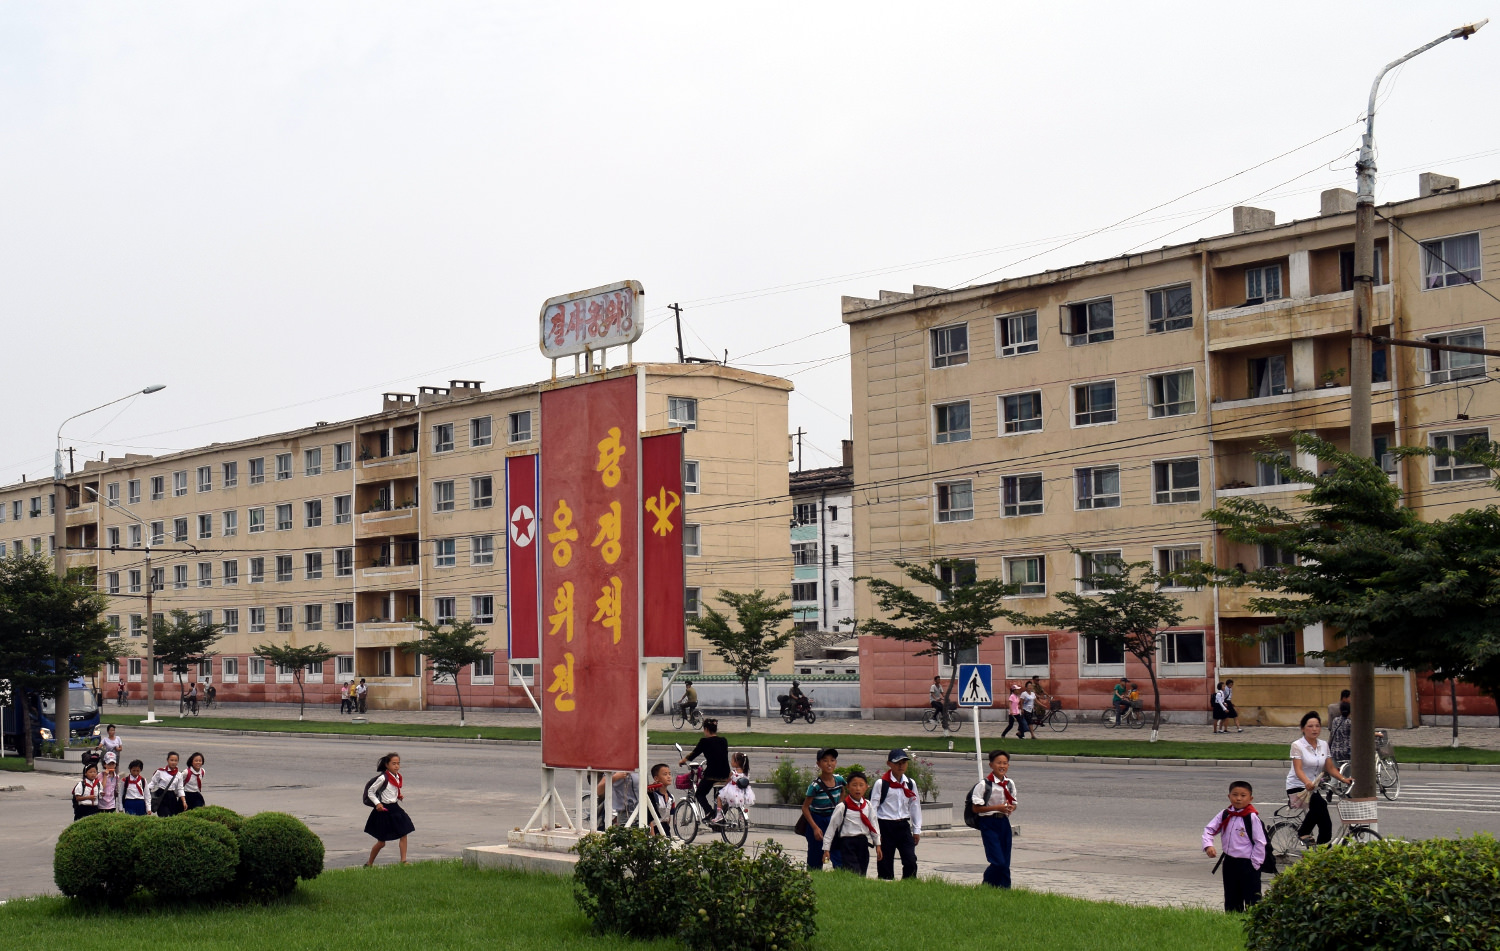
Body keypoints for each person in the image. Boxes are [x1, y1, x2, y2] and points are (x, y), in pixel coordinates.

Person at [1203, 780, 1268, 912]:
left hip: (1248, 863)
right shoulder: (1225, 814)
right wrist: (1208, 845)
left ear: (1250, 798)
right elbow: (1209, 830)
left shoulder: (1251, 817)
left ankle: (1253, 923)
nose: (1238, 798)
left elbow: (1260, 842)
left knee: (1252, 899)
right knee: (1232, 896)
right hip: (1229, 862)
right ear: (1229, 796)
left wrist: (1255, 864)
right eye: (1235, 795)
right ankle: (1232, 920)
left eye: (1243, 795)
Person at [1287, 712, 1349, 845]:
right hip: (1298, 786)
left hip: (1312, 788)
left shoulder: (1323, 745)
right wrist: (1307, 782)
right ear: (1303, 729)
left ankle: (1320, 854)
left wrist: (1344, 779)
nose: (1314, 729)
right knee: (1321, 804)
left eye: (1317, 726)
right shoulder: (1297, 745)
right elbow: (1298, 769)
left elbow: (1330, 768)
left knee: (1326, 824)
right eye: (1310, 726)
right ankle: (1303, 832)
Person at [871, 749, 922, 880]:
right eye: (897, 762)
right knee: (885, 861)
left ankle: (909, 884)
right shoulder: (881, 783)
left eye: (904, 762)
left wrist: (916, 829)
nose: (901, 765)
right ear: (889, 764)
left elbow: (915, 806)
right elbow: (873, 809)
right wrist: (875, 833)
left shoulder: (910, 783)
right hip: (885, 826)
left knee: (910, 859)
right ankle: (886, 884)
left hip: (903, 826)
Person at [971, 750, 1018, 888]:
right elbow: (976, 808)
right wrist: (997, 808)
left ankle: (1004, 888)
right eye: (999, 763)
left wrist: (1009, 808)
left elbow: (1014, 804)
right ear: (991, 765)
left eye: (1005, 763)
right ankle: (987, 884)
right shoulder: (984, 785)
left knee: (1005, 859)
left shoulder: (1009, 783)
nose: (1002, 766)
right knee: (997, 861)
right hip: (989, 823)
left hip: (1003, 822)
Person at [823, 771, 880, 876]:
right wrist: (826, 848)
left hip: (863, 842)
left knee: (862, 870)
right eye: (854, 785)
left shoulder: (868, 805)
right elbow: (831, 828)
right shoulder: (842, 807)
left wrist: (878, 844)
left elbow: (874, 825)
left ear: (866, 787)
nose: (858, 789)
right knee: (853, 871)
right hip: (847, 843)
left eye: (861, 785)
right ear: (848, 787)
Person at [800, 748, 846, 870]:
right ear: (818, 764)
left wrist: (840, 805)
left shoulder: (839, 780)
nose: (829, 764)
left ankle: (840, 875)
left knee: (837, 853)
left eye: (832, 760)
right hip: (818, 820)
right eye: (825, 761)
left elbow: (843, 791)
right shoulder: (815, 786)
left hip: (833, 819)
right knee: (816, 857)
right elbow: (805, 808)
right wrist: (815, 827)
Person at [365, 752, 414, 865]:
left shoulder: (397, 776)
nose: (396, 766)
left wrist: (398, 796)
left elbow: (391, 790)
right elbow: (370, 792)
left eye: (398, 763)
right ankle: (369, 863)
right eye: (393, 763)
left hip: (395, 808)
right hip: (384, 811)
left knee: (404, 832)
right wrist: (378, 804)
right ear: (387, 765)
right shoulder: (383, 778)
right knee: (382, 842)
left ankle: (403, 861)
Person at [679, 718, 730, 819]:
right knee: (719, 796)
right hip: (725, 773)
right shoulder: (723, 741)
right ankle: (719, 816)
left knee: (700, 794)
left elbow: (694, 753)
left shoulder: (704, 741)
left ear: (706, 729)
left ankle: (709, 812)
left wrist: (683, 760)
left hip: (712, 774)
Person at [717, 752, 755, 820]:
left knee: (719, 798)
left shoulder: (733, 772)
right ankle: (741, 816)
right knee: (741, 803)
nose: (731, 762)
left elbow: (728, 780)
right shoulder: (746, 772)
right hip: (744, 792)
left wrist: (724, 785)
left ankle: (719, 815)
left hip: (733, 792)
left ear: (736, 762)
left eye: (732, 760)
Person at [148, 751, 188, 816]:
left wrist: (184, 801)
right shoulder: (160, 772)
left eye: (175, 760)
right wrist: (145, 793)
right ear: (167, 760)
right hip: (161, 796)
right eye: (171, 760)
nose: (173, 762)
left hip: (172, 797)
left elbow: (180, 789)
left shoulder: (179, 775)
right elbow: (152, 783)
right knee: (163, 815)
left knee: (173, 816)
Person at [645, 764, 673, 835]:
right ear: (656, 778)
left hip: (666, 829)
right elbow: (649, 818)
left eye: (669, 774)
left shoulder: (671, 797)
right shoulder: (653, 795)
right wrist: (652, 834)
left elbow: (668, 817)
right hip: (655, 829)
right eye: (665, 774)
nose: (669, 776)